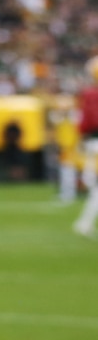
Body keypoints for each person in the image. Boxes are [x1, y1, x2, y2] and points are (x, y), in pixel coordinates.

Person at [73, 57, 98, 238]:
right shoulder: (91, 94)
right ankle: (84, 223)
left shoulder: (88, 93)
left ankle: (84, 222)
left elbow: (84, 122)